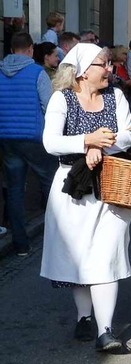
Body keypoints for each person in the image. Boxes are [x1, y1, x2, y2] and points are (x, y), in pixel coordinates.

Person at [41, 43, 131, 352]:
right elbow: (51, 142)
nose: (109, 69)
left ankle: (105, 330)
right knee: (80, 255)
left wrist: (102, 143)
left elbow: (129, 133)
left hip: (111, 184)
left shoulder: (115, 96)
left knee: (106, 255)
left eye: (108, 64)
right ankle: (84, 317)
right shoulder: (62, 99)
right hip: (73, 186)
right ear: (81, 72)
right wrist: (86, 141)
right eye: (102, 65)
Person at [0, 32, 57, 256]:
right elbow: (49, 106)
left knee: (14, 189)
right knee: (51, 184)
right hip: (34, 137)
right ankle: (58, 238)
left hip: (6, 138)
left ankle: (21, 244)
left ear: (12, 49)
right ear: (31, 49)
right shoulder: (37, 72)